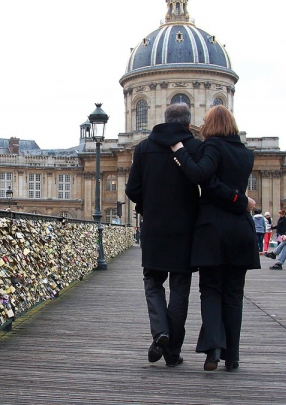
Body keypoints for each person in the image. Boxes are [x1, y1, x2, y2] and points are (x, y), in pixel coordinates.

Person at [169, 105, 260, 372]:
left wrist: (180, 152)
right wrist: (241, 200)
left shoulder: (212, 147)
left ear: (210, 125)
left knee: (210, 291)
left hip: (213, 230)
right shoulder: (246, 153)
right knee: (234, 295)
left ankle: (213, 351)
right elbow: (232, 186)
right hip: (241, 231)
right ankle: (233, 357)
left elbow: (204, 179)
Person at [125, 103, 201, 368]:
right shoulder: (195, 148)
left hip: (155, 228)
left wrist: (149, 207)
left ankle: (160, 333)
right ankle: (172, 353)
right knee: (180, 289)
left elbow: (132, 189)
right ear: (188, 124)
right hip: (186, 231)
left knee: (153, 282)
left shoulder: (144, 148)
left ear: (164, 119)